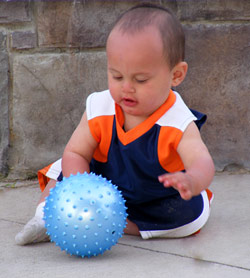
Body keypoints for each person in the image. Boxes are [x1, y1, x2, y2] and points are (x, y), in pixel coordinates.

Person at [15, 3, 214, 245]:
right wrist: (83, 190)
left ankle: (117, 224)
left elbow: (202, 161)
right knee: (63, 172)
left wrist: (192, 179)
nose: (126, 87)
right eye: (116, 76)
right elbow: (76, 151)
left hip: (152, 194)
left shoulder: (178, 122)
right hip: (101, 180)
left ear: (176, 75)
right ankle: (45, 217)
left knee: (187, 219)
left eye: (140, 79)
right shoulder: (100, 107)